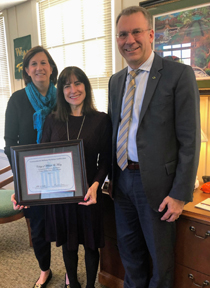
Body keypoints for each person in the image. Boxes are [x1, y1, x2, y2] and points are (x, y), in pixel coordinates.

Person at [108, 6, 200, 288]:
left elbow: (189, 140)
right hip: (122, 181)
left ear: (150, 35)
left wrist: (180, 193)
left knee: (160, 261)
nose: (129, 40)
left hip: (159, 187)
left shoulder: (178, 75)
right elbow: (115, 129)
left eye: (136, 32)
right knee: (130, 254)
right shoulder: (115, 81)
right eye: (122, 34)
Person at [41, 66, 112, 288]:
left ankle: (90, 285)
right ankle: (73, 285)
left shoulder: (100, 120)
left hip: (88, 193)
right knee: (68, 245)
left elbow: (107, 160)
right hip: (61, 195)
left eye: (77, 83)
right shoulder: (52, 120)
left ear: (86, 86)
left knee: (91, 246)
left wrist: (96, 185)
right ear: (61, 91)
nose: (73, 89)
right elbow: (41, 158)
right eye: (67, 85)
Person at [4, 45, 58, 288]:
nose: (39, 67)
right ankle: (45, 269)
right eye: (33, 64)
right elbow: (9, 142)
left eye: (43, 62)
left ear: (51, 67)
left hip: (60, 172)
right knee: (37, 227)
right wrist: (21, 178)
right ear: (27, 70)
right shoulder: (17, 100)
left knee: (66, 223)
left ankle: (69, 268)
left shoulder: (64, 97)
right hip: (31, 176)